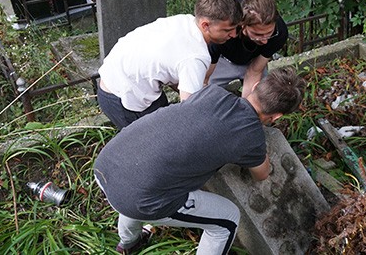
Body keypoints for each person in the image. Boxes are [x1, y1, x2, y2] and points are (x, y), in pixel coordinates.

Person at [94, 67, 306, 254]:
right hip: (139, 200)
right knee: (227, 220)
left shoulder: (212, 92)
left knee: (141, 180)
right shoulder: (250, 137)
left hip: (107, 166)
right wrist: (262, 153)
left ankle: (128, 243)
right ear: (277, 116)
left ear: (256, 86)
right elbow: (261, 174)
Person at [97, 0, 242, 130]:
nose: (234, 35)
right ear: (205, 25)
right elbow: (190, 113)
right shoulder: (195, 56)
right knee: (156, 145)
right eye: (227, 30)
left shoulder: (185, 21)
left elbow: (180, 79)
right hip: (123, 98)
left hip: (116, 79)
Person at [205, 0, 288, 98]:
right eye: (257, 34)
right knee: (208, 94)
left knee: (261, 99)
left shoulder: (279, 33)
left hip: (253, 60)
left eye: (268, 33)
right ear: (242, 25)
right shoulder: (223, 29)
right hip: (221, 60)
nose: (265, 41)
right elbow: (205, 78)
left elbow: (254, 71)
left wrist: (247, 107)